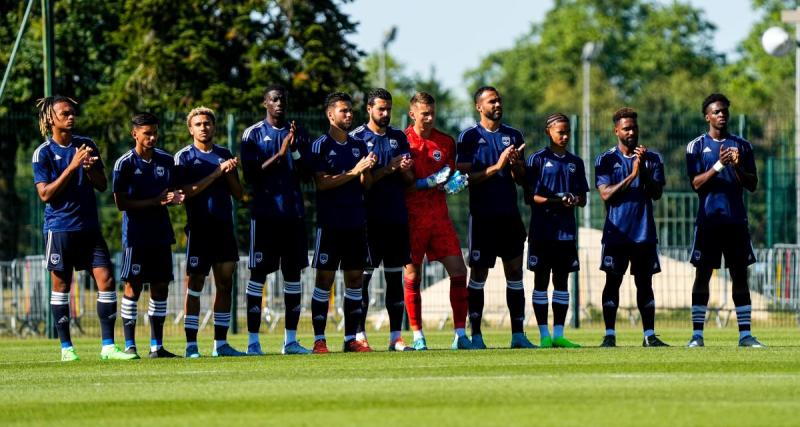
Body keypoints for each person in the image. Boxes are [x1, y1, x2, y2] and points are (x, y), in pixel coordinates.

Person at [32, 95, 136, 361]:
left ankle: (108, 347)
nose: (71, 116)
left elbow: (102, 184)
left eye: (72, 113)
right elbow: (45, 195)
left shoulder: (87, 145)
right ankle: (67, 348)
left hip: (89, 227)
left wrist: (89, 169)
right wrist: (72, 166)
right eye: (65, 113)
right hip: (59, 228)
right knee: (62, 284)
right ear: (51, 118)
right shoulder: (43, 153)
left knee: (107, 280)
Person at [456, 86, 535, 349]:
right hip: (482, 218)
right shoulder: (468, 137)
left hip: (509, 216)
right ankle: (476, 335)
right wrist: (497, 166)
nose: (497, 104)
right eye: (492, 101)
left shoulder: (513, 135)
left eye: (499, 100)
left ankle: (518, 336)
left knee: (515, 273)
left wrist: (516, 166)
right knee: (478, 275)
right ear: (479, 107)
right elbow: (464, 179)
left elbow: (522, 180)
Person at [685, 93, 764, 348]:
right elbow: (696, 184)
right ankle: (697, 335)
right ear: (707, 116)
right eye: (717, 112)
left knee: (740, 277)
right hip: (708, 223)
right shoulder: (696, 146)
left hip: (736, 222)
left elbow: (752, 185)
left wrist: (737, 166)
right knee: (703, 276)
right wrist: (719, 165)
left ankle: (745, 335)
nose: (722, 115)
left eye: (725, 112)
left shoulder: (743, 145)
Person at [240, 85, 312, 355]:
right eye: (274, 99)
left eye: (282, 98)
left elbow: (306, 175)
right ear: (265, 103)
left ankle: (290, 341)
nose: (279, 103)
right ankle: (252, 342)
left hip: (293, 215)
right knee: (258, 275)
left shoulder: (298, 132)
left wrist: (293, 151)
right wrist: (280, 155)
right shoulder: (253, 134)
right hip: (265, 215)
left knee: (293, 276)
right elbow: (250, 175)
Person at [174, 106, 245, 357]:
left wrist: (229, 172)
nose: (203, 127)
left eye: (207, 123)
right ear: (190, 128)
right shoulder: (183, 157)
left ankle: (221, 344)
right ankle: (191, 345)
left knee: (225, 285)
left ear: (213, 127)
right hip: (199, 230)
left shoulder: (224, 154)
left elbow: (238, 194)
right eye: (198, 124)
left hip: (223, 228)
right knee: (194, 286)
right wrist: (216, 173)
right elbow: (185, 193)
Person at [595, 107, 668, 347]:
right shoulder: (606, 160)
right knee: (612, 283)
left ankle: (649, 335)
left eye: (634, 127)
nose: (631, 132)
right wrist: (631, 175)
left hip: (643, 233)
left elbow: (656, 193)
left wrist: (644, 171)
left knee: (645, 284)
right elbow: (606, 194)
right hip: (617, 232)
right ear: (616, 130)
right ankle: (609, 335)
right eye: (626, 128)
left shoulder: (653, 158)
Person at [309, 92, 376, 353]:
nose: (349, 115)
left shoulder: (359, 145)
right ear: (330, 114)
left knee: (355, 279)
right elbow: (322, 183)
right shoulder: (320, 145)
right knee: (324, 280)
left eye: (350, 111)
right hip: (330, 224)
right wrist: (354, 172)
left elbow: (366, 185)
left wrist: (367, 170)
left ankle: (351, 339)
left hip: (356, 223)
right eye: (343, 111)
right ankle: (319, 339)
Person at [404, 91, 471, 350]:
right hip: (412, 218)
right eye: (424, 114)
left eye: (432, 113)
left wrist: (455, 181)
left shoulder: (445, 141)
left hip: (439, 218)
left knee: (458, 271)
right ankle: (418, 335)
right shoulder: (403, 141)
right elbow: (404, 185)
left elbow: (450, 173)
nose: (430, 118)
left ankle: (459, 334)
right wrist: (428, 182)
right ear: (413, 114)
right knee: (412, 276)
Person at [113, 112, 183, 359]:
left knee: (160, 287)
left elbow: (172, 191)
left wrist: (175, 197)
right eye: (147, 133)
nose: (152, 137)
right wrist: (154, 201)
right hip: (136, 236)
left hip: (161, 233)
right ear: (135, 134)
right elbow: (121, 204)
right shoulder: (125, 164)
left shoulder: (166, 160)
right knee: (133, 287)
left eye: (154, 132)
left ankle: (157, 346)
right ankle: (130, 345)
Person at [350, 88, 416, 352]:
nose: (386, 113)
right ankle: (359, 334)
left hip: (396, 218)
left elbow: (409, 182)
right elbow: (358, 183)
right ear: (369, 109)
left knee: (393, 279)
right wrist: (388, 168)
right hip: (367, 220)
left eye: (388, 109)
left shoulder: (399, 137)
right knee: (363, 280)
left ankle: (395, 338)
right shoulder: (356, 138)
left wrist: (406, 170)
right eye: (381, 109)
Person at [524, 113, 588, 348]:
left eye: (567, 131)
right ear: (548, 132)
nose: (565, 136)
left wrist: (574, 199)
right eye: (560, 131)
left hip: (566, 232)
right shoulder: (536, 160)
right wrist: (556, 201)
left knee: (561, 281)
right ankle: (543, 335)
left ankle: (559, 334)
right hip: (542, 231)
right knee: (541, 281)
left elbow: (583, 199)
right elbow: (530, 198)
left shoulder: (576, 162)